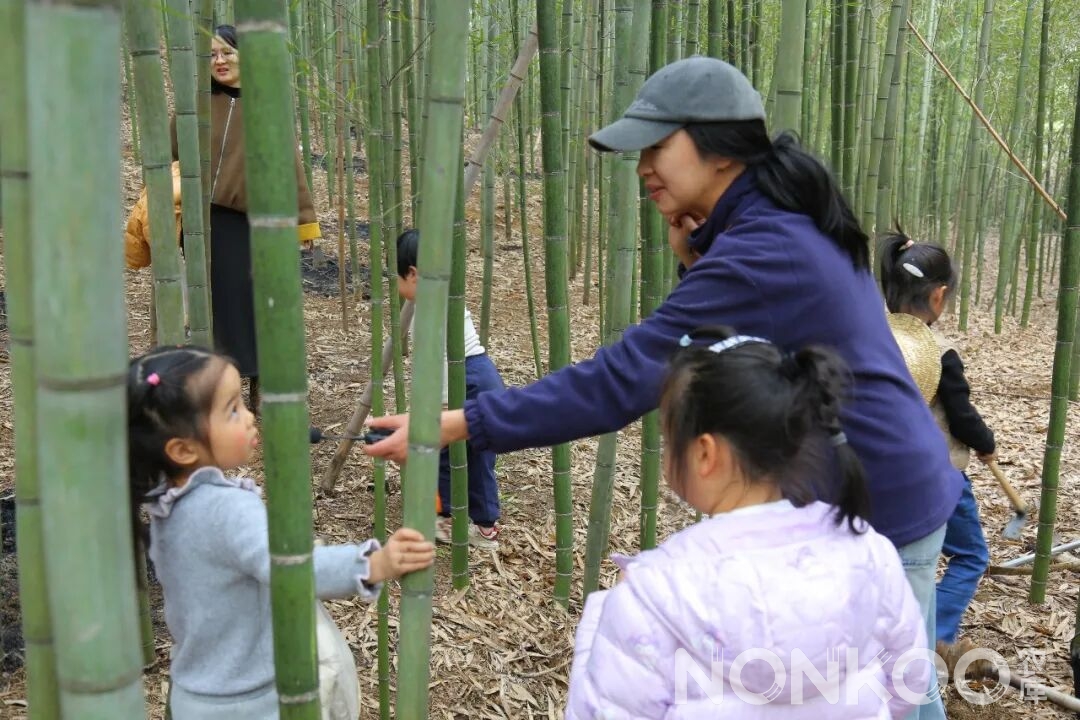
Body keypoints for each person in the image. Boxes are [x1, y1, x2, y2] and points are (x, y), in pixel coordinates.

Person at [367, 56, 960, 719]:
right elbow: (716, 336)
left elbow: (625, 378)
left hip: (879, 495)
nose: (643, 166)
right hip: (869, 480)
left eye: (657, 146)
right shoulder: (767, 225)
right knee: (887, 689)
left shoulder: (764, 245)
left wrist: (463, 423)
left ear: (720, 148)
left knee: (894, 696)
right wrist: (695, 260)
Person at [565, 327, 930, 718]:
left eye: (670, 439)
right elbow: (909, 682)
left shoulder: (653, 596)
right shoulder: (870, 552)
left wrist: (605, 611)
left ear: (705, 454)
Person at [128, 346, 434, 719]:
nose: (250, 417)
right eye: (233, 410)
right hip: (253, 702)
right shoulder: (226, 508)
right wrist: (374, 564)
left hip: (196, 696)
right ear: (182, 449)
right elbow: (289, 568)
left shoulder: (166, 506)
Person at [170, 25, 323, 411]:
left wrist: (304, 220)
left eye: (227, 52)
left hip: (254, 224)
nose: (219, 61)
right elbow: (172, 156)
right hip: (205, 223)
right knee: (217, 309)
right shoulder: (197, 104)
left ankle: (260, 385)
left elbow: (290, 167)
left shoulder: (265, 105)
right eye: (211, 55)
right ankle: (220, 391)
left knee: (255, 305)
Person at [880, 233, 993, 660]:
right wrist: (985, 443)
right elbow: (961, 415)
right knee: (971, 555)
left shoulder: (872, 339)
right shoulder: (940, 352)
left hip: (884, 474)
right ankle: (934, 638)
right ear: (939, 296)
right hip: (940, 473)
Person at [396, 229, 504, 548]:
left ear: (412, 274)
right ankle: (479, 522)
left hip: (467, 377)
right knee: (475, 452)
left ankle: (454, 520)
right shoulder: (438, 296)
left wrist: (441, 406)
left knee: (450, 449)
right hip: (481, 374)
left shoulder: (430, 309)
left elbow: (444, 361)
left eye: (396, 276)